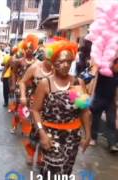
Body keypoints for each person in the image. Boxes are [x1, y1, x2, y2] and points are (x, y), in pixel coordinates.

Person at [32, 40, 91, 177]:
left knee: (65, 171)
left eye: (68, 62)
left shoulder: (76, 82)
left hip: (72, 138)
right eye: (61, 61)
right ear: (53, 63)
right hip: (51, 136)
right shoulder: (45, 83)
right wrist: (42, 133)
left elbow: (83, 111)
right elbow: (35, 110)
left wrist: (87, 134)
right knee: (51, 172)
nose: (65, 65)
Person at [18, 44, 53, 165]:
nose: (53, 63)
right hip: (35, 105)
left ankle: (43, 156)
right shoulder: (35, 68)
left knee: (48, 130)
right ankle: (31, 153)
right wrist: (23, 96)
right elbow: (22, 81)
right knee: (36, 129)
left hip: (51, 107)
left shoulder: (57, 70)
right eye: (50, 59)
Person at [10, 35, 39, 134]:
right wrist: (13, 85)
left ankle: (26, 127)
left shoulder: (37, 62)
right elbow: (13, 73)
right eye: (26, 48)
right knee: (19, 108)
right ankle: (15, 125)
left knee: (29, 109)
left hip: (32, 89)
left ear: (34, 49)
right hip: (20, 87)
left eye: (30, 48)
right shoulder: (19, 61)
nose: (28, 50)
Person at [89, 59, 118, 152]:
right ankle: (93, 138)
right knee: (95, 120)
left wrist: (116, 101)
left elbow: (116, 88)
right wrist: (91, 96)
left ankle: (112, 144)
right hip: (99, 99)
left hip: (110, 101)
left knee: (111, 121)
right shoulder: (102, 71)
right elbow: (94, 81)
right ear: (113, 64)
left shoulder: (116, 75)